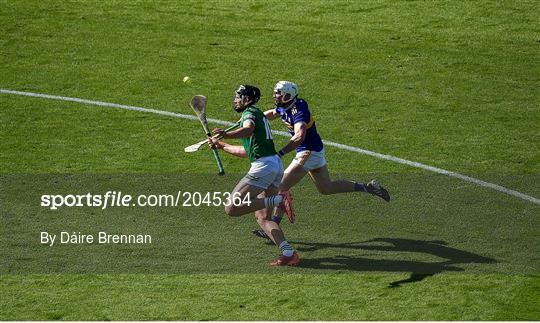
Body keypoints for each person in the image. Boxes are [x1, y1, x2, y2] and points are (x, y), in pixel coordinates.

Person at [252, 81, 390, 240]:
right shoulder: (286, 105)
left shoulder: (298, 109)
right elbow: (273, 114)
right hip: (314, 151)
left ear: (288, 95)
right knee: (327, 188)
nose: (274, 95)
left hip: (308, 152)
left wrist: (281, 152)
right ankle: (369, 188)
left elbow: (300, 135)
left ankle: (273, 226)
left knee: (279, 185)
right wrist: (255, 119)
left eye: (277, 93)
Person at [208, 84, 299, 266]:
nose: (235, 100)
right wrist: (222, 145)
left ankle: (279, 201)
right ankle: (288, 253)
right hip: (273, 165)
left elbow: (248, 129)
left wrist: (227, 134)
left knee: (232, 208)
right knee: (263, 218)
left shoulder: (249, 113)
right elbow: (247, 151)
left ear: (247, 99)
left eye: (238, 96)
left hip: (263, 167)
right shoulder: (257, 115)